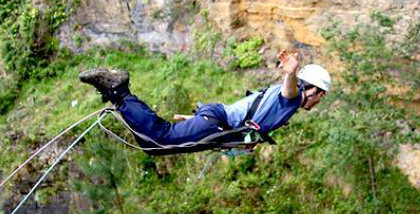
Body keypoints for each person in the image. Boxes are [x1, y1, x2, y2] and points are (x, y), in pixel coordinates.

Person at [79, 50, 330, 152]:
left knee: (151, 146)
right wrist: (291, 71)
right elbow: (291, 92)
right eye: (321, 96)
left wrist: (196, 122)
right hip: (216, 123)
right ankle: (120, 92)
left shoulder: (282, 103)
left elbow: (244, 115)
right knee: (160, 139)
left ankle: (117, 96)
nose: (318, 102)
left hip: (214, 124)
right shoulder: (292, 98)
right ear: (315, 91)